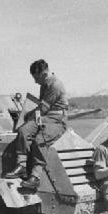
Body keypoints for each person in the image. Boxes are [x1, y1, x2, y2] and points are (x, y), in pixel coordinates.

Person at [5, 59, 68, 189]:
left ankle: (35, 176)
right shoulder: (44, 85)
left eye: (36, 77)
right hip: (44, 119)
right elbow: (41, 110)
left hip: (57, 121)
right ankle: (21, 165)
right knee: (23, 131)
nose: (35, 81)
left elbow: (43, 108)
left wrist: (29, 115)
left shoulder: (55, 85)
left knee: (40, 139)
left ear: (43, 74)